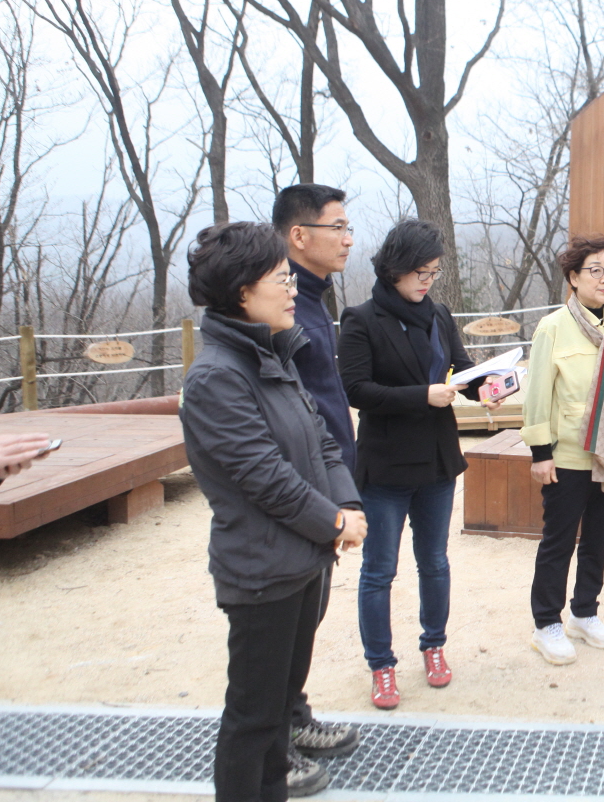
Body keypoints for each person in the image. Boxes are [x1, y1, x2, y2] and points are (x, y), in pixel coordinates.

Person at [179, 222, 367, 802]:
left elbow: (323, 441)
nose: (292, 290)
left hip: (301, 560)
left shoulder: (270, 353)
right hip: (262, 572)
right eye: (281, 279)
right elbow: (266, 479)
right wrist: (333, 522)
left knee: (278, 706)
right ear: (242, 293)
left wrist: (347, 502)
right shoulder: (217, 377)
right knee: (254, 721)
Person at [339, 219, 498, 710]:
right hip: (385, 466)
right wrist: (421, 396)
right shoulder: (360, 319)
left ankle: (434, 646)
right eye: (419, 271)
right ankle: (381, 665)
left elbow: (459, 367)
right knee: (379, 570)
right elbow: (356, 390)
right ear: (393, 269)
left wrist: (484, 386)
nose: (427, 280)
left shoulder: (439, 315)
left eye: (434, 271)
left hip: (436, 462)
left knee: (434, 562)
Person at [270, 185, 361, 777]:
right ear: (299, 236)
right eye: (338, 226)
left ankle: (293, 714)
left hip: (325, 480)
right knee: (281, 617)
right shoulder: (277, 307)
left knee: (310, 609)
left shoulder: (313, 300)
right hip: (297, 490)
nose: (349, 238)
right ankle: (270, 743)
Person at [521, 235, 604, 664]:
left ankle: (584, 612)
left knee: (598, 539)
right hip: (568, 454)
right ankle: (546, 623)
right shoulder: (553, 327)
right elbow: (538, 393)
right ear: (573, 278)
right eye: (596, 270)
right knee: (558, 541)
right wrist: (540, 453)